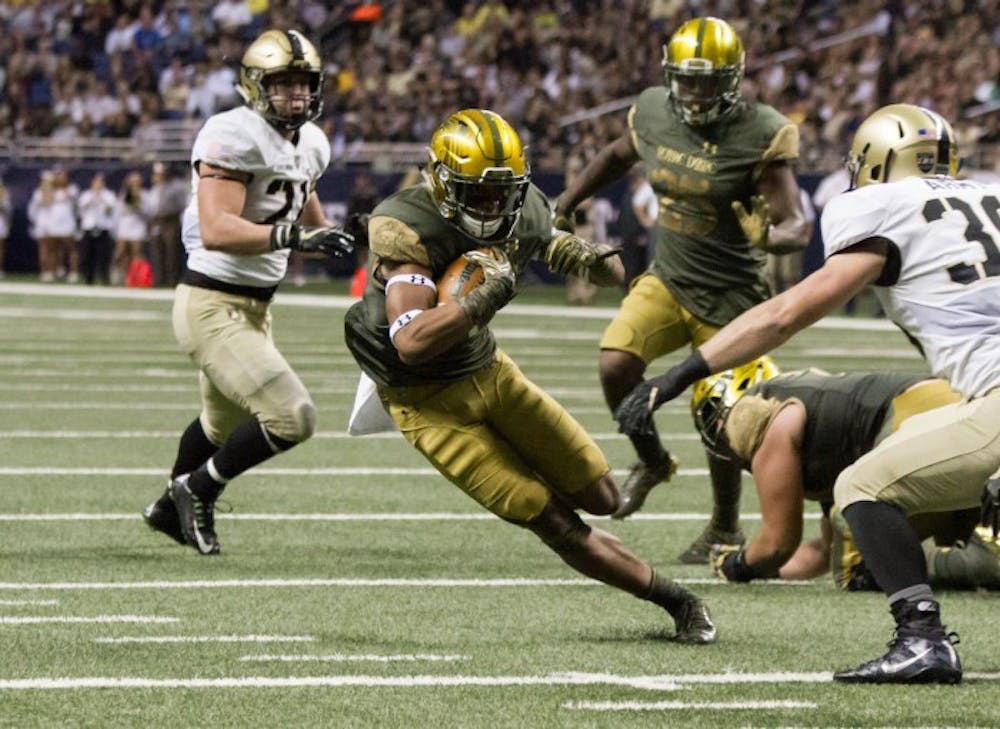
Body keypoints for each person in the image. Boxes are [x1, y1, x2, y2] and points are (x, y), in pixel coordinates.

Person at [613, 103, 1000, 684]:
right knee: (924, 438)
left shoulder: (881, 206)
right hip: (980, 395)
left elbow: (786, 313)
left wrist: (676, 376)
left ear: (874, 160)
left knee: (860, 486)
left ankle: (921, 639)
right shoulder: (987, 198)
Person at [343, 108, 715, 644]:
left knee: (604, 495)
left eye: (503, 193)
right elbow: (412, 342)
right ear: (443, 184)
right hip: (426, 403)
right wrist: (477, 302)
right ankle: (677, 602)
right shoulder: (405, 225)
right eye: (478, 193)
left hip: (489, 371)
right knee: (552, 519)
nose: (493, 206)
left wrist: (576, 253)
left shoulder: (527, 210)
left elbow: (612, 274)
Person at [552, 17, 811, 563]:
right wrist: (568, 200)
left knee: (718, 414)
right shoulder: (653, 110)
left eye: (706, 80)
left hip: (733, 295)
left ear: (733, 79)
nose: (693, 92)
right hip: (667, 278)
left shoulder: (760, 129)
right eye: (685, 80)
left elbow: (798, 225)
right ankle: (652, 459)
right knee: (615, 363)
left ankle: (724, 526)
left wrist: (771, 235)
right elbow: (619, 155)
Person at [141, 29, 354, 555]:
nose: (295, 96)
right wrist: (294, 236)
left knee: (219, 425)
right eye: (282, 84)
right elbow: (217, 228)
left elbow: (302, 210)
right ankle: (196, 489)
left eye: (303, 84)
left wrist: (339, 236)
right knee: (292, 416)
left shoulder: (312, 143)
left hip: (257, 307)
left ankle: (167, 510)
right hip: (211, 303)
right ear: (255, 86)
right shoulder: (232, 132)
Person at [694, 367, 999, 590]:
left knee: (858, 564)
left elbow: (777, 544)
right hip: (946, 406)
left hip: (916, 415)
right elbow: (821, 554)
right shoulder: (822, 427)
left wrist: (738, 565)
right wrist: (765, 571)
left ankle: (974, 560)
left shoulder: (768, 421)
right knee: (857, 538)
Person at [76, 172, 118, 286]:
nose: (98, 184)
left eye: (100, 182)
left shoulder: (109, 195)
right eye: (96, 182)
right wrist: (93, 198)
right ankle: (88, 278)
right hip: (89, 228)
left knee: (103, 255)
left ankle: (104, 278)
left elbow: (111, 209)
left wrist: (101, 199)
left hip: (103, 228)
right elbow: (81, 208)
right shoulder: (86, 194)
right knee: (87, 255)